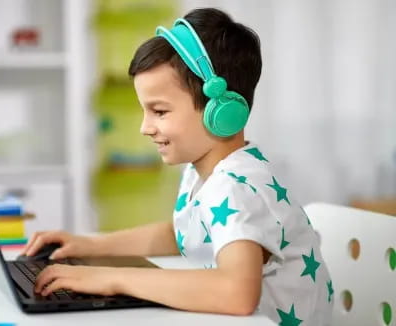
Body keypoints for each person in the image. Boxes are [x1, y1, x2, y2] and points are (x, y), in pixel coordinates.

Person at [22, 8, 333, 325]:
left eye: (159, 111)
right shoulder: (206, 170)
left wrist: (110, 278)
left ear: (221, 112)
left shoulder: (237, 187)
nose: (145, 127)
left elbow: (236, 293)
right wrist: (89, 246)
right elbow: (185, 234)